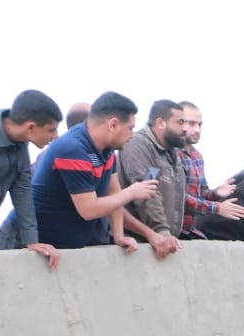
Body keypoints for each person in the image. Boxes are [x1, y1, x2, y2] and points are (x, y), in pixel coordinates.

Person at [32, 91, 157, 255]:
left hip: (66, 247)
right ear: (112, 125)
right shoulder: (72, 150)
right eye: (130, 128)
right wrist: (132, 192)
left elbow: (113, 192)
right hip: (38, 247)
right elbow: (89, 210)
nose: (132, 135)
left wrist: (119, 236)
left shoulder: (107, 150)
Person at [0, 89, 62, 268]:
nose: (55, 137)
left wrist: (31, 241)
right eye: (51, 130)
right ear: (30, 127)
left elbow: (22, 191)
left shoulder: (20, 144)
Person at [118, 99, 188, 258]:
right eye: (180, 122)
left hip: (162, 241)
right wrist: (161, 231)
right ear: (160, 123)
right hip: (139, 245)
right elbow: (147, 191)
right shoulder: (140, 145)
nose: (185, 129)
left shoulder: (171, 152)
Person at [175, 101, 244, 239]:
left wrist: (216, 193)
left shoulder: (197, 156)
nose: (197, 129)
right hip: (174, 229)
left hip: (190, 228)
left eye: (199, 124)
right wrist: (217, 208)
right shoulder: (172, 154)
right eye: (191, 123)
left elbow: (201, 194)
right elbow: (178, 198)